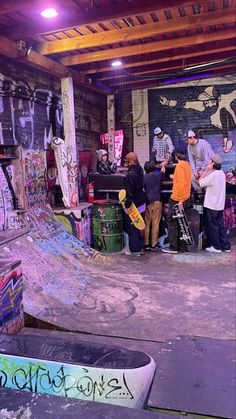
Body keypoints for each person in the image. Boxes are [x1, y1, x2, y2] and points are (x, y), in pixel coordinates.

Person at [199, 155, 231, 253]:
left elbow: (200, 183)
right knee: (220, 226)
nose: (208, 164)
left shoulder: (213, 175)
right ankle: (226, 246)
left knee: (212, 226)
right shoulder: (221, 173)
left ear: (213, 163)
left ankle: (216, 247)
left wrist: (206, 171)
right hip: (219, 204)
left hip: (211, 204)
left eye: (209, 162)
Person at [162, 149, 192, 254]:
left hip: (177, 199)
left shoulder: (179, 166)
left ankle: (173, 247)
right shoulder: (187, 165)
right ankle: (182, 247)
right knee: (182, 223)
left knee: (171, 221)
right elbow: (184, 180)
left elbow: (181, 184)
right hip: (186, 197)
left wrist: (180, 201)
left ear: (176, 156)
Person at [123, 152, 146, 256]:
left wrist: (127, 206)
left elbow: (129, 193)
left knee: (132, 226)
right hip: (142, 202)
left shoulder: (129, 175)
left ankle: (135, 249)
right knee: (140, 225)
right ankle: (140, 247)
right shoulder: (140, 169)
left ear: (128, 161)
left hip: (134, 204)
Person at [143, 160, 167, 250]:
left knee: (147, 223)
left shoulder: (144, 178)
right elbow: (163, 171)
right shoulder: (158, 175)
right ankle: (154, 244)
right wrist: (163, 165)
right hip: (157, 200)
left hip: (147, 201)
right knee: (156, 223)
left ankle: (146, 244)